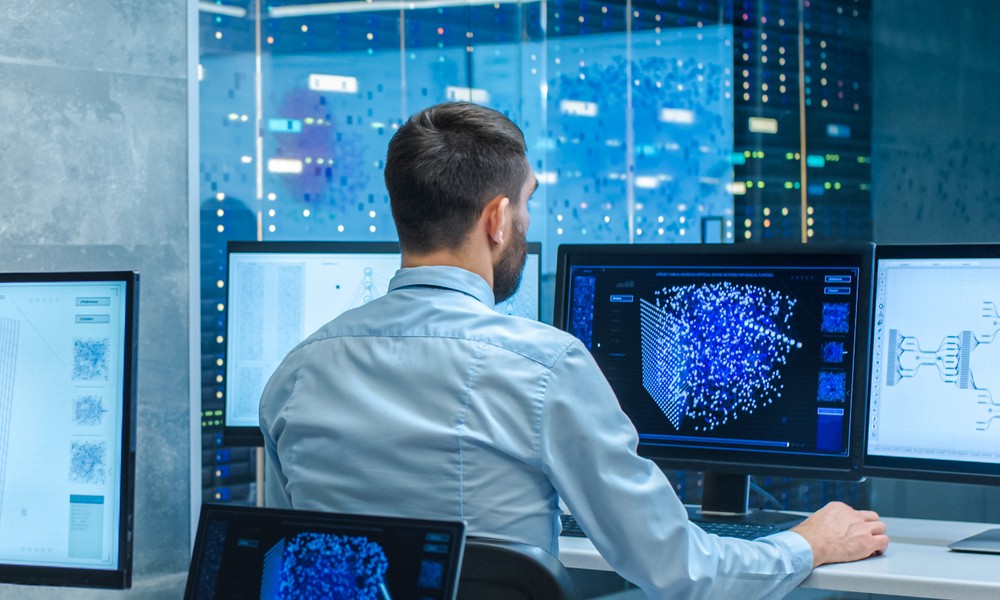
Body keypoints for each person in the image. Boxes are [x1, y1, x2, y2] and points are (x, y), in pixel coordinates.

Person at [259, 101, 889, 599]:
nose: (527, 224)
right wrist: (808, 543)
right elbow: (682, 571)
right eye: (528, 203)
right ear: (498, 218)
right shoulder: (542, 366)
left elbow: (297, 563)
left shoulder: (296, 373)